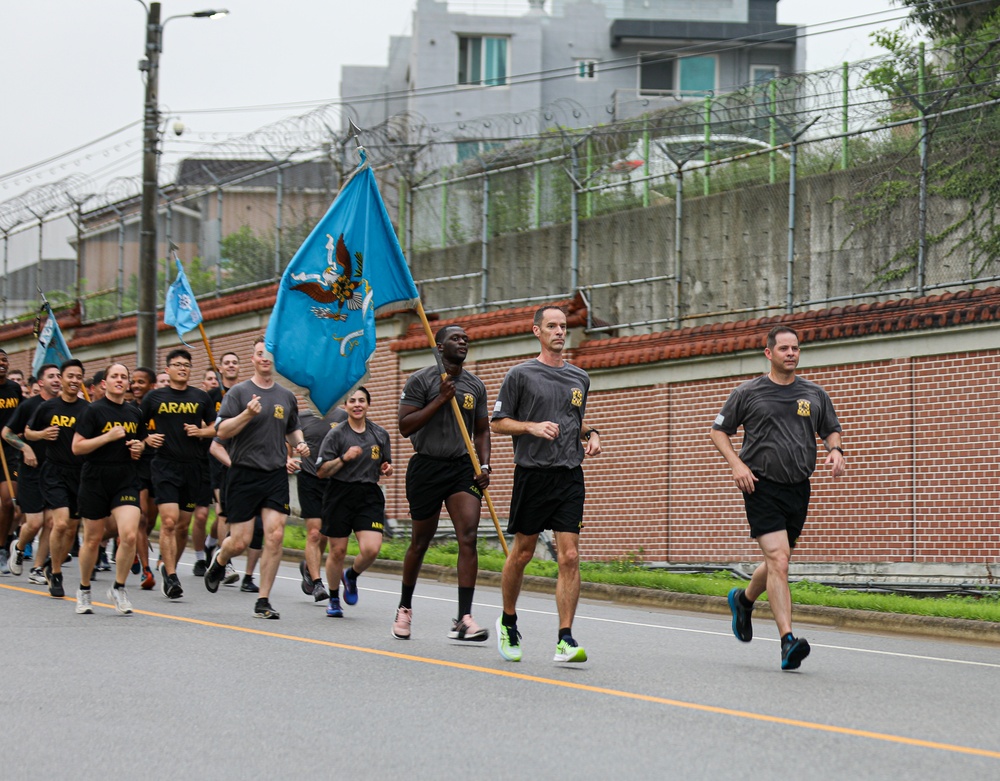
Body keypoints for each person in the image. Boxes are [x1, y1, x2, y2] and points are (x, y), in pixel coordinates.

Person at [710, 325, 846, 671]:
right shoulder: (749, 392)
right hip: (760, 485)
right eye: (783, 348)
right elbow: (718, 431)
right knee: (779, 560)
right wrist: (736, 465)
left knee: (777, 563)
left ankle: (743, 600)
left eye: (795, 348)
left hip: (799, 487)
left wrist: (835, 450)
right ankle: (787, 641)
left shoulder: (814, 394)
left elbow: (830, 428)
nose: (791, 353)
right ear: (768, 353)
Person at [491, 305, 601, 664]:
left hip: (569, 474)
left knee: (569, 556)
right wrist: (531, 427)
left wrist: (592, 434)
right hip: (532, 474)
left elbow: (574, 419)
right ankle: (508, 622)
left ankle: (565, 638)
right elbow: (498, 422)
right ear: (536, 331)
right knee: (522, 553)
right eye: (551, 326)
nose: (559, 331)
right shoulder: (520, 375)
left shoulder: (579, 378)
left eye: (563, 326)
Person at [394, 325, 491, 641]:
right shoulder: (421, 380)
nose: (463, 341)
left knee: (469, 535)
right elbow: (405, 426)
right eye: (456, 338)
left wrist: (484, 463)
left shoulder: (475, 385)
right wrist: (439, 399)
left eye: (466, 337)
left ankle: (464, 617)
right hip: (426, 466)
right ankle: (404, 608)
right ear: (439, 346)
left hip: (462, 467)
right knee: (421, 542)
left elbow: (482, 430)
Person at [203, 337, 309, 619]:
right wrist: (246, 415)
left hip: (274, 473)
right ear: (253, 359)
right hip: (243, 473)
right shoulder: (238, 392)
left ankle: (263, 600)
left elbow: (292, 428)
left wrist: (299, 443)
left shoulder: (285, 396)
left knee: (274, 535)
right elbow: (222, 431)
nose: (265, 358)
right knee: (240, 542)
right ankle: (221, 560)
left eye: (269, 354)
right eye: (260, 354)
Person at [140, 348, 216, 600]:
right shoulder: (154, 398)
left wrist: (201, 432)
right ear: (168, 369)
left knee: (183, 525)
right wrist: (146, 438)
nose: (182, 368)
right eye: (177, 364)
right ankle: (171, 576)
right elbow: (136, 425)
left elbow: (217, 427)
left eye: (186, 365)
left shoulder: (201, 397)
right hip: (164, 465)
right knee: (170, 521)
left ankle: (166, 565)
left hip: (193, 467)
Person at [72, 363, 146, 615]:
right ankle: (83, 590)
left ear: (127, 384)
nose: (119, 380)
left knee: (129, 535)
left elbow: (139, 443)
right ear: (104, 383)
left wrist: (139, 447)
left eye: (123, 377)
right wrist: (107, 437)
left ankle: (119, 587)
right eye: (114, 376)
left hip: (125, 477)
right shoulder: (92, 411)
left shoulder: (134, 412)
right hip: (95, 478)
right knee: (92, 539)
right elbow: (77, 447)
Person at [315, 388, 392, 618]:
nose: (357, 405)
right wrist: (343, 458)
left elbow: (384, 463)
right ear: (345, 406)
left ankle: (352, 575)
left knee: (371, 549)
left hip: (368, 494)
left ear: (368, 404)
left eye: (361, 401)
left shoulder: (380, 434)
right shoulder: (336, 434)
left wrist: (386, 468)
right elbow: (321, 471)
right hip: (339, 493)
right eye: (352, 401)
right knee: (337, 551)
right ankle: (334, 598)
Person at [25, 359, 88, 598]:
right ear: (61, 379)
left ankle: (53, 565)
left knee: (71, 529)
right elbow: (29, 432)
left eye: (78, 377)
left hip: (79, 474)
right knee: (60, 522)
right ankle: (57, 573)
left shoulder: (86, 409)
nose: (74, 381)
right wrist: (43, 434)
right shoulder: (48, 408)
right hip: (54, 471)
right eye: (70, 376)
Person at [5, 364, 62, 581]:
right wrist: (26, 447)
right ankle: (18, 547)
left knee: (52, 522)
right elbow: (7, 432)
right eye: (51, 377)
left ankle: (37, 568)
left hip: (55, 472)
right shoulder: (29, 405)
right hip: (31, 471)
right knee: (35, 522)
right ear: (40, 383)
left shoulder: (63, 406)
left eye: (59, 376)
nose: (56, 380)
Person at [295, 406, 347, 603]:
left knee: (325, 532)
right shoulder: (302, 418)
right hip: (309, 479)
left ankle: (309, 568)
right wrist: (287, 459)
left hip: (333, 481)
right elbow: (287, 439)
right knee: (315, 533)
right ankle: (317, 583)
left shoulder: (342, 416)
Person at [130, 367, 158, 590]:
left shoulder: (159, 408)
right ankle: (146, 570)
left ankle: (134, 545)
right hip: (135, 467)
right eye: (134, 382)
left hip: (157, 467)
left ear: (152, 386)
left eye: (141, 382)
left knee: (150, 520)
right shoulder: (128, 410)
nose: (136, 385)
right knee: (141, 517)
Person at [0, 349, 23, 575]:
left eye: (4, 359)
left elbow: (21, 415)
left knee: (9, 502)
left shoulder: (14, 389)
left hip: (10, 451)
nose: (1, 363)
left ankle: (3, 546)